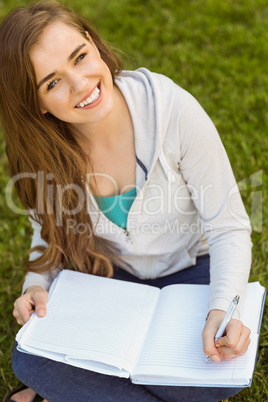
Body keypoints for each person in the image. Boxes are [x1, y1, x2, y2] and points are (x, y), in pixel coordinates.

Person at [0, 1, 252, 401]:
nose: (81, 84)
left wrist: (222, 310)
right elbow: (46, 231)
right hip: (111, 280)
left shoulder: (173, 110)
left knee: (225, 368)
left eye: (80, 57)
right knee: (29, 361)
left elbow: (228, 226)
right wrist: (36, 284)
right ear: (37, 105)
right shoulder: (43, 154)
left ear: (92, 42)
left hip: (191, 270)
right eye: (52, 82)